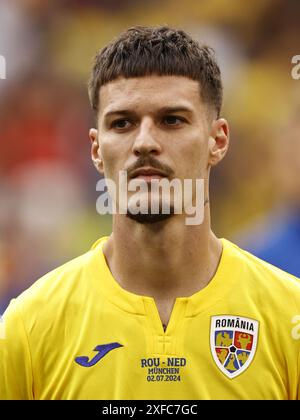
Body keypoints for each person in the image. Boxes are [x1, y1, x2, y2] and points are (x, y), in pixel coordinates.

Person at [0, 26, 299, 400]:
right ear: (95, 149)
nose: (144, 142)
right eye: (122, 123)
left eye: (172, 120)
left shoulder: (290, 318)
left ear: (217, 141)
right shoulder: (28, 328)